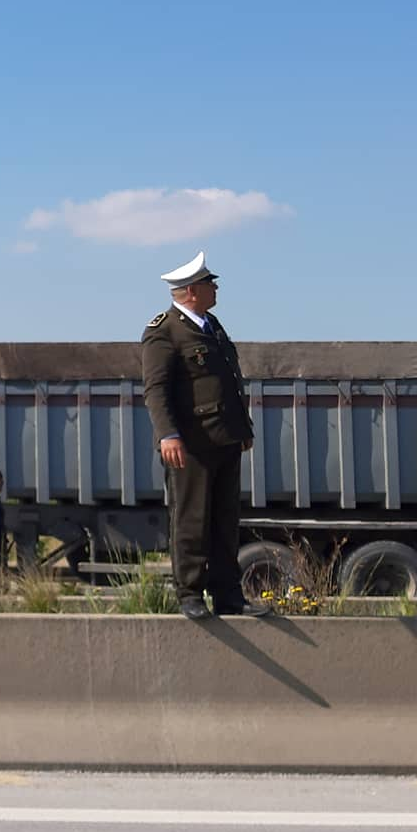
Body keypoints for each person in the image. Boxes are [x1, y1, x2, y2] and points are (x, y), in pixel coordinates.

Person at [141, 253, 271, 620]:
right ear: (191, 291)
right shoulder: (164, 330)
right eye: (210, 283)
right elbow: (156, 388)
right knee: (192, 519)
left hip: (225, 439)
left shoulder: (211, 324)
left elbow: (228, 382)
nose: (215, 288)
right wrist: (168, 434)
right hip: (192, 444)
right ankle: (190, 593)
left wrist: (242, 429)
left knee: (225, 522)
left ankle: (229, 596)